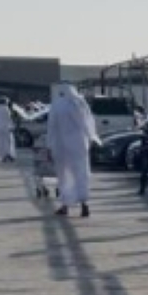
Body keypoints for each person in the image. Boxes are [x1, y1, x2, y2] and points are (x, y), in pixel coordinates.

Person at [47, 83, 99, 218]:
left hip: (61, 145)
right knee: (81, 173)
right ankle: (84, 205)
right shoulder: (80, 103)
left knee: (64, 175)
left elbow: (51, 126)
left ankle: (65, 205)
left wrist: (49, 145)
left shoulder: (57, 105)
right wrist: (92, 137)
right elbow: (88, 123)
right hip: (79, 145)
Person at [0, 98, 16, 163]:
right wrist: (12, 126)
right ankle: (9, 155)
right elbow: (9, 118)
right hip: (6, 128)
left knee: (1, 143)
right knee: (9, 142)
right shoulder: (6, 108)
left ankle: (3, 156)